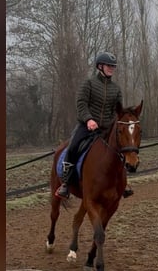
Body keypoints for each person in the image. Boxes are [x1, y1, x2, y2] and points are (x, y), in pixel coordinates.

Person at [55, 51, 134, 199]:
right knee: (72, 147)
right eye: (109, 66)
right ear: (100, 66)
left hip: (107, 128)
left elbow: (117, 110)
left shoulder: (115, 89)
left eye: (113, 66)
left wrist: (116, 124)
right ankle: (65, 183)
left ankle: (123, 182)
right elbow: (81, 104)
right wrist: (89, 119)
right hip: (87, 126)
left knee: (121, 148)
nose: (111, 68)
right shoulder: (89, 84)